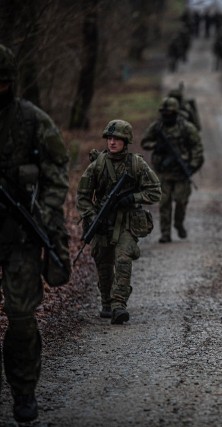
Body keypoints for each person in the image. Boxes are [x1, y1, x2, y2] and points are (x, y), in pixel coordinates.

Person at [0, 43, 70, 423]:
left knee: (22, 318)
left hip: (22, 234)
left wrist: (44, 213)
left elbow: (58, 168)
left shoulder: (32, 120)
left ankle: (24, 391)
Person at [77, 120, 161, 324]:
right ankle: (106, 302)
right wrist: (91, 216)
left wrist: (132, 198)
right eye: (110, 138)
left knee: (123, 259)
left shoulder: (136, 164)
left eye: (117, 139)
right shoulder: (97, 165)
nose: (113, 142)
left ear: (126, 141)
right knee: (103, 262)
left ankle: (118, 305)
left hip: (126, 222)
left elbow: (155, 191)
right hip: (102, 221)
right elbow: (83, 196)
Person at [141, 97, 203, 243]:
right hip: (163, 171)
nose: (166, 116)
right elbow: (145, 142)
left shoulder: (187, 128)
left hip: (181, 172)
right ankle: (165, 233)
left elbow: (197, 147)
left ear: (176, 113)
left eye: (169, 113)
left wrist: (192, 165)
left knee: (181, 201)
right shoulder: (157, 127)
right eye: (164, 113)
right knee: (164, 203)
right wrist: (156, 146)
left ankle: (178, 224)